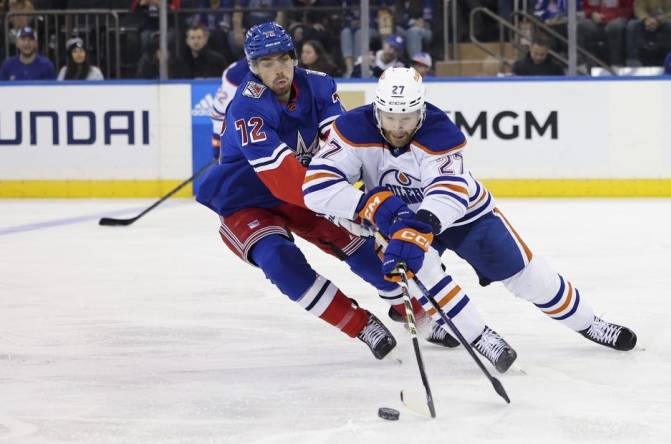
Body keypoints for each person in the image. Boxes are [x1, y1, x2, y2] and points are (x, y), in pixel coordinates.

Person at [303, 67, 638, 364]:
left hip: (464, 216)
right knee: (421, 273)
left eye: (406, 118)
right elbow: (316, 187)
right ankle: (481, 336)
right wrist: (369, 207)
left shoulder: (440, 131)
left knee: (529, 277)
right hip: (398, 217)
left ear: (420, 110)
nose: (398, 127)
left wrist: (421, 228)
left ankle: (590, 322)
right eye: (391, 118)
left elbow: (449, 190)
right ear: (378, 109)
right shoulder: (352, 129)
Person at [195, 23, 461, 363]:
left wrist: (366, 197)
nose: (277, 69)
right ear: (252, 67)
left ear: (293, 57)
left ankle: (409, 309)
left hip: (307, 189)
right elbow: (282, 178)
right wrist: (350, 207)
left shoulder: (319, 85)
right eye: (265, 63)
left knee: (366, 251)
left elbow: (344, 147)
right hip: (247, 200)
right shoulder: (247, 107)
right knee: (279, 260)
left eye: (282, 59)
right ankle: (360, 324)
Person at [577, 0, 633, 67]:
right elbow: (586, 7)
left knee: (614, 27)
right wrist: (592, 14)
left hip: (618, 19)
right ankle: (582, 65)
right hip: (598, 23)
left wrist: (608, 17)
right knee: (581, 26)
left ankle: (616, 64)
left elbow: (629, 9)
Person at [626, 0, 671, 66]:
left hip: (666, 20)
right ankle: (633, 61)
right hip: (646, 21)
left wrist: (659, 20)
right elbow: (638, 7)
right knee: (632, 25)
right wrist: (646, 19)